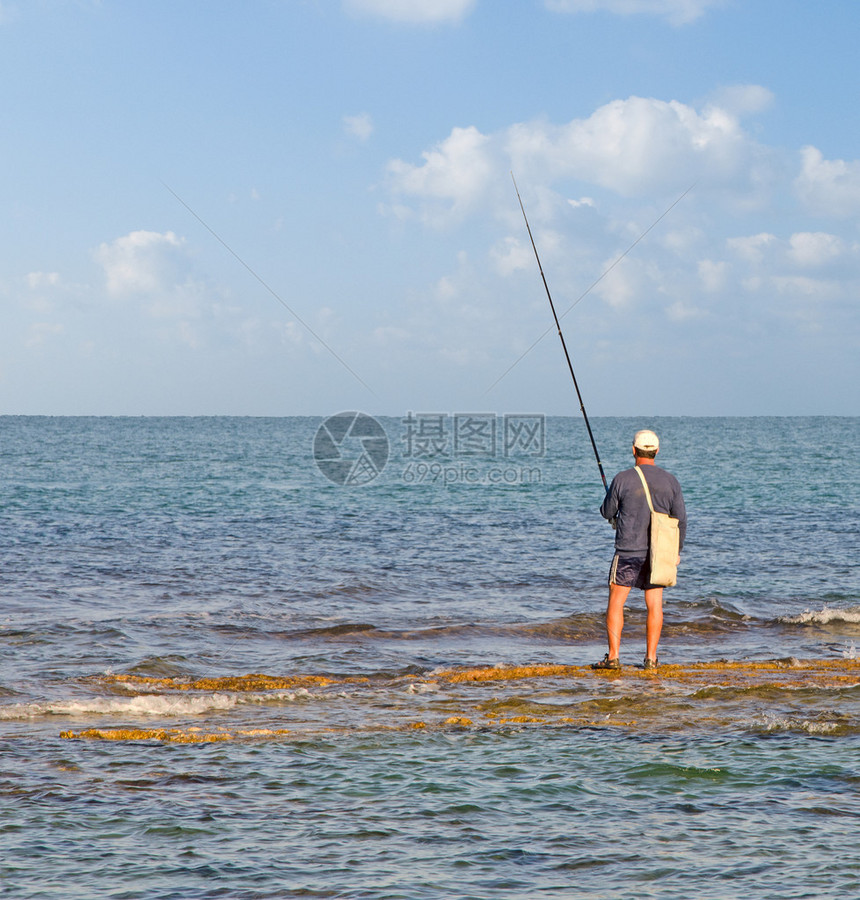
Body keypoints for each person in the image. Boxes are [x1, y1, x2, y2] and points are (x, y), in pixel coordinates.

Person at [592, 429, 686, 671]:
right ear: (656, 452)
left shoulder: (622, 478)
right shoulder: (671, 481)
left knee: (616, 601)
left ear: (633, 450)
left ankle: (613, 658)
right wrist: (676, 551)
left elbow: (607, 512)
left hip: (627, 551)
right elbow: (681, 520)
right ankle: (651, 659)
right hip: (659, 553)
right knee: (654, 604)